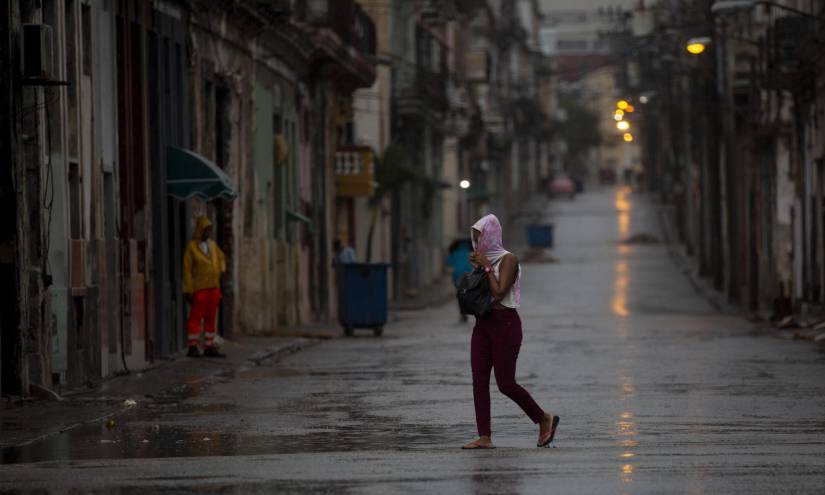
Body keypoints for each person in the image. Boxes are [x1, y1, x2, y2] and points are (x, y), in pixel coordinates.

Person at [461, 213, 559, 449]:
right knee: (479, 380)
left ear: (491, 235)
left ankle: (543, 418)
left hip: (505, 325)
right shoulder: (483, 260)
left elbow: (499, 292)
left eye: (480, 236)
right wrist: (478, 270)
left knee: (505, 383)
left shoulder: (508, 260)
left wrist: (485, 267)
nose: (477, 242)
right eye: (474, 238)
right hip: (483, 324)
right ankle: (484, 436)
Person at [182, 216, 226, 358]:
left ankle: (208, 345)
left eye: (209, 230)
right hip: (199, 288)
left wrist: (220, 269)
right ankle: (193, 346)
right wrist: (188, 290)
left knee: (210, 318)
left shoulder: (212, 246)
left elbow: (221, 258)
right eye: (206, 229)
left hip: (213, 287)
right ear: (200, 230)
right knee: (195, 318)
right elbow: (187, 270)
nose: (208, 232)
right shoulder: (192, 247)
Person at [447, 239, 473, 322]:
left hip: (457, 276)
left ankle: (463, 313)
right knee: (468, 294)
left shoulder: (455, 253)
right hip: (469, 276)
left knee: (460, 295)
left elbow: (449, 262)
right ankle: (469, 311)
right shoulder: (471, 253)